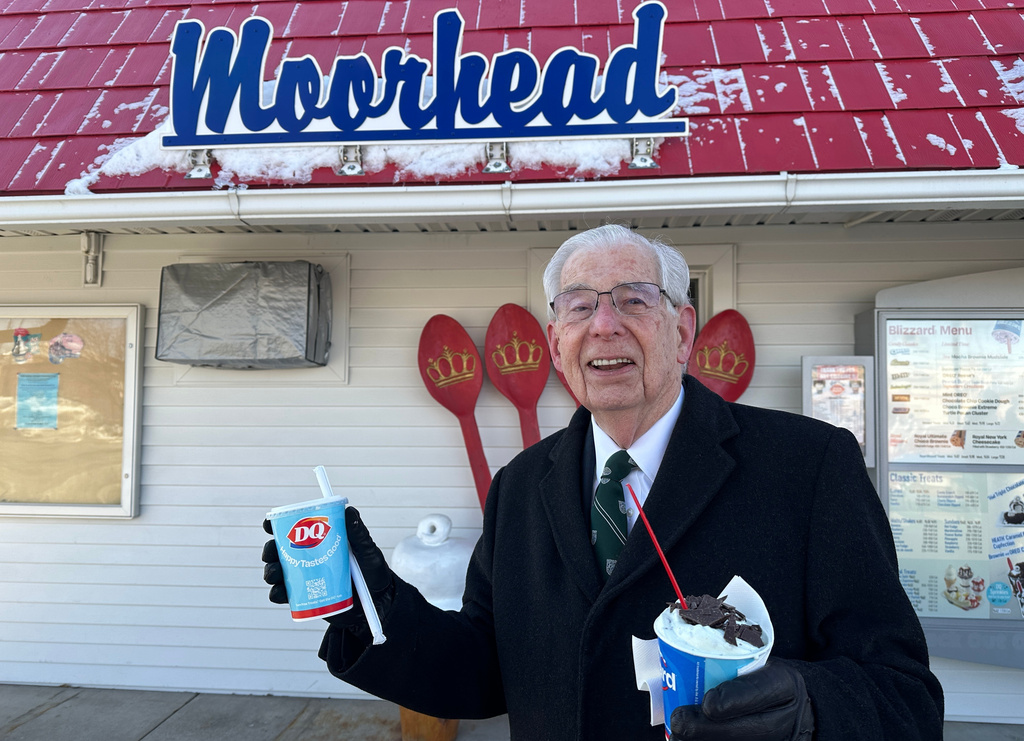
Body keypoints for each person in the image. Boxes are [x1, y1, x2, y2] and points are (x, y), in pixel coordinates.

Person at [263, 224, 944, 740]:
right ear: (556, 340)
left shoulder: (809, 464)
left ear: (683, 330)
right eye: (580, 306)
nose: (605, 324)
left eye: (633, 300)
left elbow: (902, 690)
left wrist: (810, 706)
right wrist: (373, 608)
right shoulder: (521, 487)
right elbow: (481, 670)